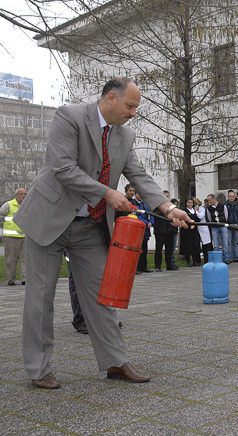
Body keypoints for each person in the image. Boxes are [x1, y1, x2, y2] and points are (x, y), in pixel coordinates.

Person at [13, 77, 190, 389]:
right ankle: (38, 368)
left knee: (102, 296)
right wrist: (107, 194)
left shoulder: (125, 135)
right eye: (130, 106)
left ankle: (115, 361)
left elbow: (138, 174)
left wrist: (167, 208)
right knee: (40, 298)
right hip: (49, 221)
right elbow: (63, 168)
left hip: (88, 227)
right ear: (111, 97)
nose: (134, 113)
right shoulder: (69, 117)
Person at [0, 187, 27, 285]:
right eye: (21, 194)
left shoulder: (27, 205)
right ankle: (11, 279)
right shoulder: (8, 205)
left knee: (25, 259)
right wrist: (6, 226)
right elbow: (1, 217)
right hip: (11, 237)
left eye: (25, 194)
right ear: (16, 195)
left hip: (24, 237)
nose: (23, 196)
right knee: (11, 259)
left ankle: (25, 279)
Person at [153, 199, 178, 271]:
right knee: (159, 249)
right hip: (160, 232)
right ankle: (158, 266)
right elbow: (157, 220)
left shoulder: (171, 209)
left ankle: (169, 264)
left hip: (169, 231)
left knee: (169, 249)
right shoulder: (157, 209)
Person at [133, 192, 154, 274]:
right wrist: (145, 223)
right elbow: (137, 216)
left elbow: (150, 214)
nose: (140, 196)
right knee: (139, 249)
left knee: (144, 249)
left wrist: (151, 222)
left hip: (146, 230)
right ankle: (138, 267)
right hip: (139, 228)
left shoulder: (145, 204)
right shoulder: (134, 204)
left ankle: (144, 266)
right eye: (138, 194)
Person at [206, 193, 229, 262]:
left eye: (210, 200)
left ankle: (226, 258)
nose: (209, 202)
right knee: (216, 244)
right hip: (214, 227)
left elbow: (226, 215)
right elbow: (209, 218)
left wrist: (223, 222)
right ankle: (217, 259)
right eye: (208, 200)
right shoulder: (209, 209)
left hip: (223, 226)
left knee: (225, 243)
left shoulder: (222, 206)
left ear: (214, 199)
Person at [179, 198, 201, 266]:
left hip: (194, 230)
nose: (190, 203)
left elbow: (197, 219)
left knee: (195, 245)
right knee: (187, 246)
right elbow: (183, 219)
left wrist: (194, 224)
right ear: (186, 203)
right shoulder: (184, 211)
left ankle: (195, 261)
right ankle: (188, 261)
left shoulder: (195, 210)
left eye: (191, 202)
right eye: (189, 202)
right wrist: (189, 225)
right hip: (186, 231)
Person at [224, 190, 238, 262]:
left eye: (233, 196)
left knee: (236, 242)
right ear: (228, 197)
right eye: (230, 196)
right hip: (228, 227)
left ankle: (236, 257)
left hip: (236, 226)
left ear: (235, 197)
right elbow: (225, 216)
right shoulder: (225, 206)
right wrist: (229, 223)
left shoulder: (237, 206)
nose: (231, 198)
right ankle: (230, 257)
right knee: (229, 243)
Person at [195, 200, 212, 264]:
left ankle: (206, 260)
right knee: (197, 245)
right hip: (196, 229)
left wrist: (196, 211)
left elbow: (201, 216)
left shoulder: (202, 209)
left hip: (203, 227)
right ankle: (197, 261)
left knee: (206, 244)